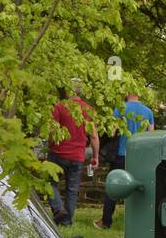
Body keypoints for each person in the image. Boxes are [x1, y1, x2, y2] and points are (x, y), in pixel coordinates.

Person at [96, 93, 155, 230]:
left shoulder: (120, 109)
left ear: (126, 94)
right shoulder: (148, 112)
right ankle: (141, 223)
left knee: (114, 187)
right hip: (140, 156)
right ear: (138, 94)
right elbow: (151, 136)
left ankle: (106, 221)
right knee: (140, 188)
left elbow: (112, 132)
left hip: (121, 154)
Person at [47, 88, 99, 226]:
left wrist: (51, 145)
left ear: (68, 92)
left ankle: (58, 209)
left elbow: (53, 131)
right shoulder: (88, 110)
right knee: (72, 190)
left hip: (57, 154)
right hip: (77, 156)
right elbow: (93, 136)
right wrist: (95, 156)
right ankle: (67, 221)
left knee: (49, 184)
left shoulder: (59, 106)